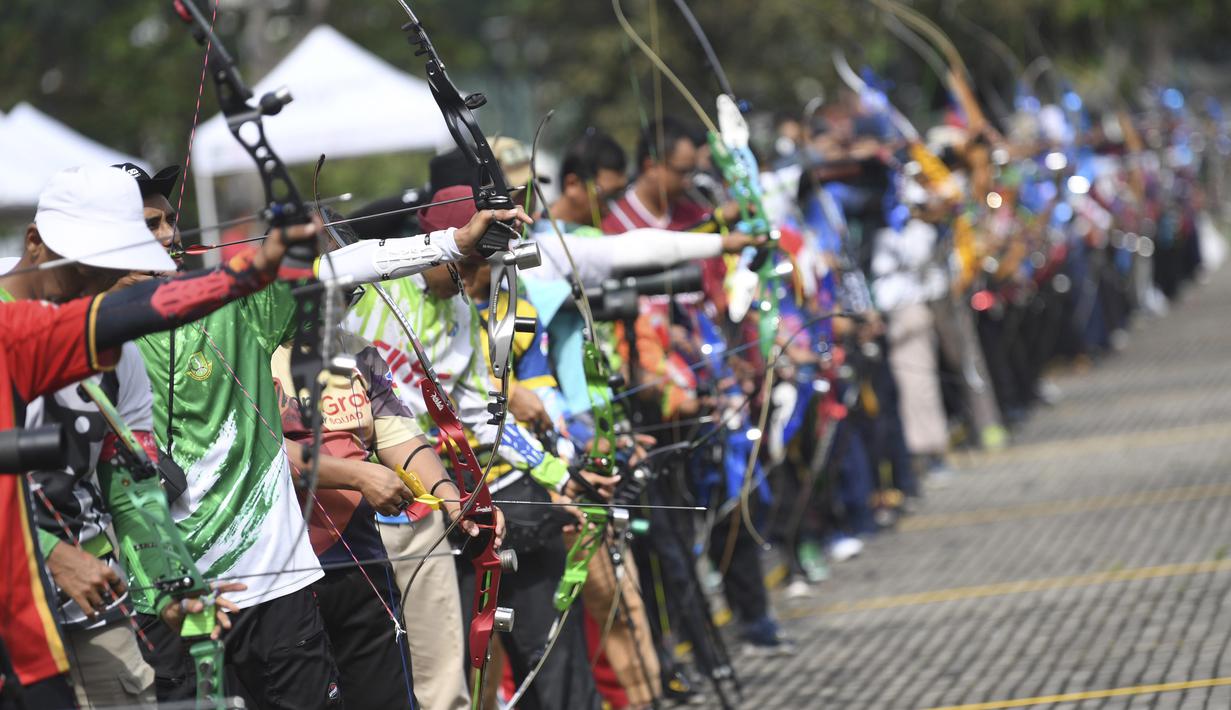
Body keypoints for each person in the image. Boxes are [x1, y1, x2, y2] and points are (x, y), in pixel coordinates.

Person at [114, 163, 527, 708]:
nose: (168, 237)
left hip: (322, 567)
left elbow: (397, 429)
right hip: (204, 586)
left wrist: (454, 497)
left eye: (170, 222)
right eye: (149, 226)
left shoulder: (313, 338)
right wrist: (354, 472)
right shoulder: (218, 332)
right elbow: (254, 446)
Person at [0, 164, 316, 709]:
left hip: (92, 613)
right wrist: (51, 554)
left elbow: (133, 490)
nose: (98, 290)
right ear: (35, 244)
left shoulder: (118, 360)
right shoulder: (16, 328)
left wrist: (173, 586)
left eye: (113, 271)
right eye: (86, 271)